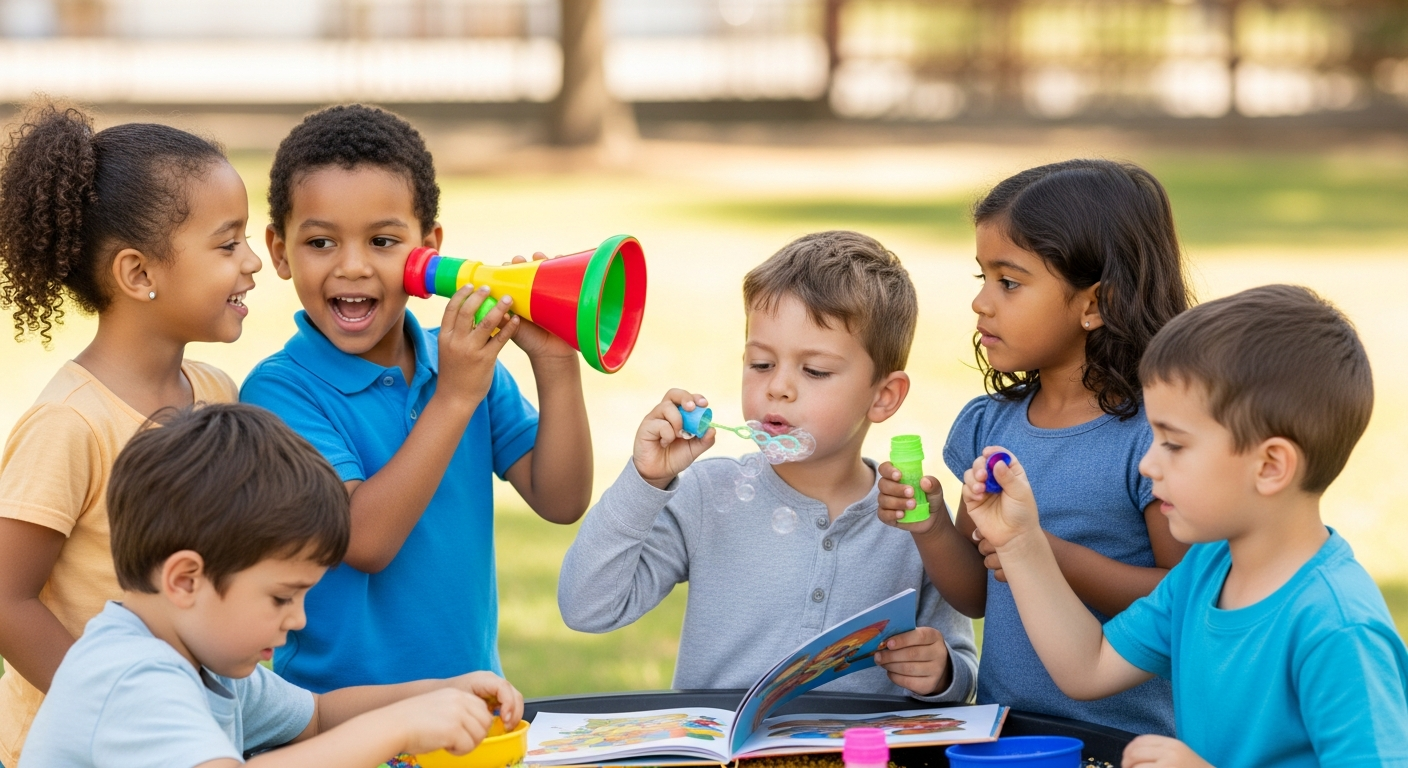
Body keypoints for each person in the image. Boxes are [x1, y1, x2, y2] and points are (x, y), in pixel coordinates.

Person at [962, 285, 1408, 767]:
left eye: (1173, 444)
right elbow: (1087, 667)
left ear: (1271, 465)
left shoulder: (1337, 627)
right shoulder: (1205, 572)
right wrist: (1021, 541)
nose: (1148, 465)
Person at [241, 104, 592, 693]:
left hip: (472, 704)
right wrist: (454, 397)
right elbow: (363, 541)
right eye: (321, 241)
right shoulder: (280, 392)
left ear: (427, 251)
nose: (352, 267)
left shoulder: (459, 364)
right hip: (339, 722)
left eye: (383, 240)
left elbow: (562, 499)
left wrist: (555, 364)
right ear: (280, 251)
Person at [559, 231, 977, 702]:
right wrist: (645, 482)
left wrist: (941, 673)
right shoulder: (705, 495)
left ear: (883, 397)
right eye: (760, 364)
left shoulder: (911, 514)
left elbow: (961, 665)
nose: (778, 387)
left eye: (814, 371)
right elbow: (587, 607)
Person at [19, 403, 524, 768]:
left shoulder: (204, 656)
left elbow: (319, 716)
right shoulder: (133, 676)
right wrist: (398, 727)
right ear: (185, 580)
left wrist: (438, 691)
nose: (298, 618)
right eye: (283, 597)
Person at [876, 160, 1191, 733]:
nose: (982, 303)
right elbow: (976, 592)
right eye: (983, 278)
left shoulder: (1155, 436)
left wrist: (1042, 554)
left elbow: (1185, 597)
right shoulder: (990, 427)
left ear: (1095, 303)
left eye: (1010, 282)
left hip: (1126, 741)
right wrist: (929, 524)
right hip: (1006, 734)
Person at [0, 103, 261, 766]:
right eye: (228, 244)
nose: (253, 261)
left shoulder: (215, 394)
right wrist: (112, 705)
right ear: (139, 274)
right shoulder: (71, 424)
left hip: (189, 737)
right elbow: (7, 598)